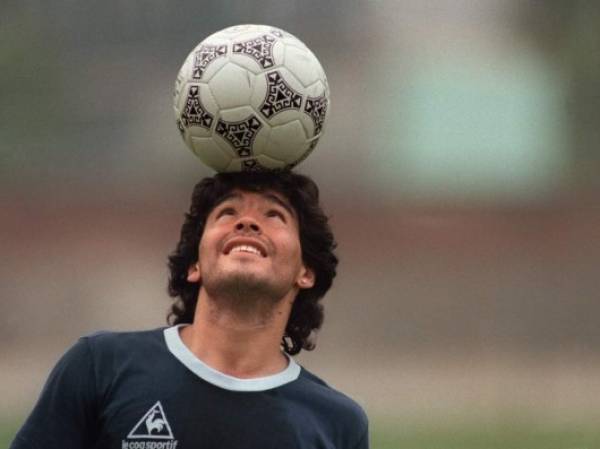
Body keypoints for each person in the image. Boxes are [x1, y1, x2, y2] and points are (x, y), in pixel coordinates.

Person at [11, 171, 369, 449]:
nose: (246, 222)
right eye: (227, 212)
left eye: (274, 215)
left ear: (305, 272)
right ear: (193, 264)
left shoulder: (337, 423)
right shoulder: (99, 367)